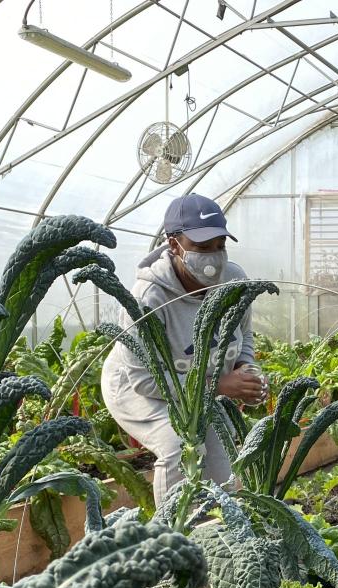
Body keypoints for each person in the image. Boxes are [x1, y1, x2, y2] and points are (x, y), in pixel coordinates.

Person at [101, 194, 267, 502]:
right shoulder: (148, 300)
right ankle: (172, 539)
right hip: (139, 390)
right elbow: (147, 381)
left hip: (196, 384)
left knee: (222, 448)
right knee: (180, 444)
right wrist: (218, 384)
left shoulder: (234, 282)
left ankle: (218, 531)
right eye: (202, 248)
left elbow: (243, 336)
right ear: (174, 245)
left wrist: (246, 369)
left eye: (220, 246)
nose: (214, 258)